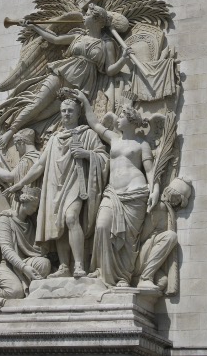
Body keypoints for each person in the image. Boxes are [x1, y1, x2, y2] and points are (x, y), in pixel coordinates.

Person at [2, 95, 109, 278]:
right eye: (63, 111)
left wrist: (85, 154)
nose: (66, 114)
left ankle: (79, 265)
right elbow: (39, 166)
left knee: (71, 217)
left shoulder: (87, 134)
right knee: (58, 224)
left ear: (78, 113)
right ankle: (64, 266)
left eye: (70, 111)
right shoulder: (54, 139)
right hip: (55, 185)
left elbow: (104, 158)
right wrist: (19, 184)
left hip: (77, 183)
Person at [0, 3, 131, 149]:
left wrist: (123, 59)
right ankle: (10, 132)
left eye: (87, 15)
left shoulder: (106, 44)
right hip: (62, 73)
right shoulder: (79, 36)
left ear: (96, 20)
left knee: (46, 114)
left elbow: (110, 70)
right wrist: (34, 27)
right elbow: (55, 39)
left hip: (79, 85)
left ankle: (24, 130)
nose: (84, 17)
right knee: (36, 104)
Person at [71, 89, 160, 287]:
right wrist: (85, 101)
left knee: (128, 238)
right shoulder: (113, 139)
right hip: (113, 193)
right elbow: (94, 123)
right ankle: (102, 271)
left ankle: (123, 277)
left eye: (121, 116)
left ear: (131, 119)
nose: (116, 119)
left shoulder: (141, 144)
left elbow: (150, 171)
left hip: (135, 194)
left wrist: (155, 190)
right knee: (102, 226)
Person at [0, 187, 51, 308]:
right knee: (15, 292)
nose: (35, 210)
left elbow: (32, 250)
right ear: (23, 202)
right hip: (7, 265)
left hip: (24, 261)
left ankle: (33, 290)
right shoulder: (4, 219)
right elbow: (7, 250)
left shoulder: (30, 223)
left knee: (44, 263)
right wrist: (25, 268)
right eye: (33, 206)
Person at [134, 176, 192, 292]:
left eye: (180, 200)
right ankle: (145, 277)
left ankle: (137, 280)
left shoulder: (168, 209)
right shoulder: (160, 207)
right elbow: (142, 236)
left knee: (162, 282)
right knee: (171, 236)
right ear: (170, 191)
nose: (177, 202)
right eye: (177, 197)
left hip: (149, 255)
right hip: (141, 254)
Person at [0, 128, 40, 210]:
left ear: (21, 142)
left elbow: (9, 177)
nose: (17, 150)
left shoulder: (26, 160)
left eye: (16, 145)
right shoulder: (39, 156)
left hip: (25, 205)